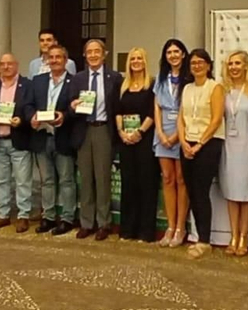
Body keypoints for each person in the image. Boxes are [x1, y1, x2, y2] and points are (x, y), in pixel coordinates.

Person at [0, 53, 40, 232]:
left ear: (16, 65)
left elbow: (31, 108)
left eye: (9, 64)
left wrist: (21, 120)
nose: (6, 67)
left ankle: (23, 216)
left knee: (23, 181)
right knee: (1, 181)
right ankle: (3, 215)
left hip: (19, 139)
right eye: (3, 64)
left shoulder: (27, 85)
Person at [72, 39, 122, 240]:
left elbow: (119, 105)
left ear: (104, 54)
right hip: (84, 129)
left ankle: (104, 223)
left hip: (103, 129)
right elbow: (68, 105)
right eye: (89, 52)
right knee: (85, 179)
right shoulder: (78, 79)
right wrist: (73, 105)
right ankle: (86, 222)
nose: (93, 55)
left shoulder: (114, 78)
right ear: (84, 55)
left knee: (102, 178)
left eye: (97, 51)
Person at [178, 48, 225, 259]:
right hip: (186, 144)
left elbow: (216, 119)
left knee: (201, 191)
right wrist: (183, 141)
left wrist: (199, 144)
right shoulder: (187, 88)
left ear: (208, 65)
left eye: (200, 62)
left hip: (208, 144)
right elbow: (181, 117)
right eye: (193, 63)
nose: (196, 66)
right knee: (192, 192)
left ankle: (204, 240)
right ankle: (198, 236)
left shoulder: (215, 87)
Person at [33, 43, 80, 235]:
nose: (54, 61)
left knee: (67, 180)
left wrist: (64, 115)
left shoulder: (75, 82)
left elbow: (77, 108)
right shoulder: (37, 81)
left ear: (65, 60)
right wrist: (31, 117)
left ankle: (67, 218)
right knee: (47, 181)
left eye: (58, 57)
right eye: (50, 58)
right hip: (42, 136)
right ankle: (49, 217)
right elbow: (28, 104)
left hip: (63, 136)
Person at [114, 47, 159, 243]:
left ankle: (146, 231)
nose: (136, 61)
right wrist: (122, 132)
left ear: (145, 61)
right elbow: (117, 111)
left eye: (140, 58)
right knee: (129, 184)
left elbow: (152, 113)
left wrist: (140, 132)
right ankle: (127, 229)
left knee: (146, 185)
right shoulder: (123, 86)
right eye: (133, 58)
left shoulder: (152, 84)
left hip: (145, 140)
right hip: (126, 141)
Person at [220, 50, 248, 256]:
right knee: (231, 193)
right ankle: (233, 235)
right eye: (230, 64)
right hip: (229, 146)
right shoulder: (223, 90)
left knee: (246, 192)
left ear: (245, 66)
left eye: (237, 63)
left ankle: (244, 236)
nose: (233, 67)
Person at [152, 38, 190, 247]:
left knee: (181, 179)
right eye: (169, 52)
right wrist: (160, 132)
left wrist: (177, 135)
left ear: (183, 54)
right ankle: (170, 225)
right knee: (167, 179)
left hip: (182, 131)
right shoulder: (161, 77)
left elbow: (188, 108)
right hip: (162, 132)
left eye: (176, 52)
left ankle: (181, 228)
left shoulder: (189, 77)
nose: (173, 55)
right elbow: (156, 106)